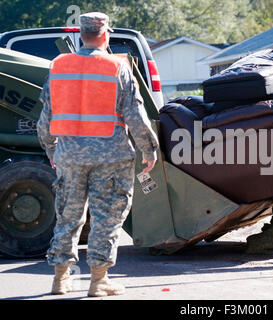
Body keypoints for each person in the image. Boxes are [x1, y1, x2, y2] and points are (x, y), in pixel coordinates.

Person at [37, 12, 159, 297]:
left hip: (69, 156)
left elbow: (46, 118)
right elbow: (135, 115)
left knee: (68, 217)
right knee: (106, 217)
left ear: (81, 35)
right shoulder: (116, 67)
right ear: (105, 36)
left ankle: (60, 279)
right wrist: (148, 148)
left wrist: (52, 149)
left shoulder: (58, 66)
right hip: (111, 157)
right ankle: (97, 281)